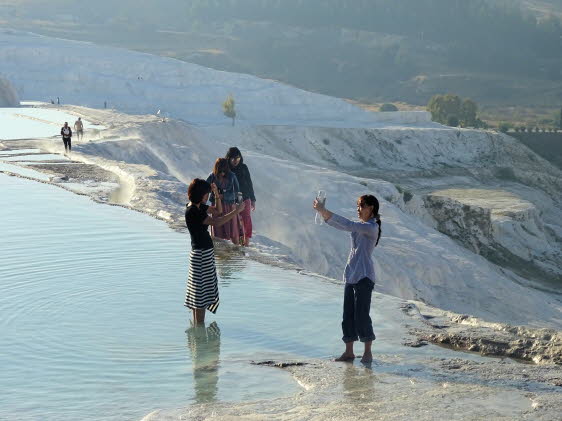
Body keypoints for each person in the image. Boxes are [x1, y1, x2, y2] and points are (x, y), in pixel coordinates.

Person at [313, 194, 382, 364]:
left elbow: (348, 225)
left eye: (361, 206)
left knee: (362, 315)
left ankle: (367, 352)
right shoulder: (361, 226)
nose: (358, 210)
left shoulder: (371, 227)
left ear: (371, 208)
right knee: (348, 315)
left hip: (364, 276)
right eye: (358, 207)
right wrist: (323, 214)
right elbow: (343, 225)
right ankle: (349, 352)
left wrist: (325, 211)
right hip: (351, 275)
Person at [185, 179, 245, 324]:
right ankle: (199, 327)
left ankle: (198, 325)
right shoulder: (193, 210)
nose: (207, 196)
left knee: (200, 291)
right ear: (200, 194)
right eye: (206, 194)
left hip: (203, 253)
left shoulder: (198, 207)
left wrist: (216, 194)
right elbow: (217, 222)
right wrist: (236, 212)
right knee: (200, 292)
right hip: (201, 255)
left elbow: (218, 211)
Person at [206, 158, 242, 245]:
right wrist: (212, 190)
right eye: (220, 171)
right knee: (218, 233)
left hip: (230, 206)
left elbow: (238, 192)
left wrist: (225, 196)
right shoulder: (212, 176)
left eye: (224, 171)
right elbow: (205, 189)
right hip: (217, 206)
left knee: (233, 232)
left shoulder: (232, 176)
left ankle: (236, 255)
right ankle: (219, 255)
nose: (222, 173)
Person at [226, 147, 256, 246]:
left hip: (245, 196)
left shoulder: (243, 167)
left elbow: (249, 183)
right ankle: (236, 242)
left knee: (246, 219)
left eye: (238, 158)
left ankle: (246, 243)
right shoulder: (226, 169)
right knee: (235, 219)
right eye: (233, 159)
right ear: (229, 158)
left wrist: (253, 199)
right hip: (232, 198)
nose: (236, 161)